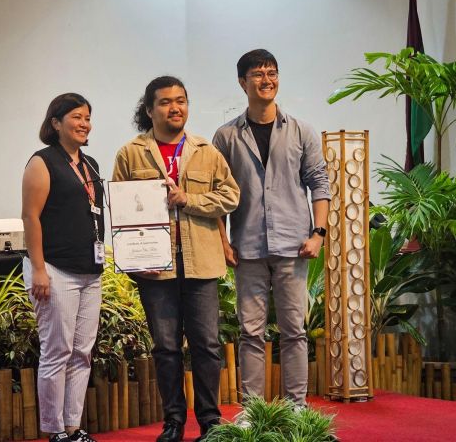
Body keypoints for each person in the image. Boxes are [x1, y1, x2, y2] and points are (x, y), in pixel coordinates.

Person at [112, 76, 240, 442]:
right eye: (166, 102)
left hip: (202, 264)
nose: (175, 108)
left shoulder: (205, 150)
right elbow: (120, 213)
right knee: (166, 348)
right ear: (149, 109)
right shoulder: (130, 153)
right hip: (155, 270)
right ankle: (173, 423)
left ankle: (211, 422)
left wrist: (190, 200)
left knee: (206, 347)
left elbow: (231, 196)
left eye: (181, 100)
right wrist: (132, 262)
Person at [213, 49, 330, 408]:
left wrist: (318, 233)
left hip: (294, 245)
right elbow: (216, 191)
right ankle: (253, 409)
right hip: (246, 248)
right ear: (242, 82)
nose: (267, 80)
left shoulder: (301, 131)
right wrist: (222, 241)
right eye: (259, 74)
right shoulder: (226, 136)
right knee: (250, 332)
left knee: (295, 331)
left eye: (272, 73)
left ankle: (297, 406)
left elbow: (320, 183)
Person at [22, 93, 103, 442]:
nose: (84, 123)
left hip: (90, 271)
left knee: (82, 353)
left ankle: (73, 426)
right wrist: (38, 269)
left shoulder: (91, 164)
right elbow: (31, 217)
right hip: (55, 269)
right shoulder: (42, 162)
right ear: (55, 123)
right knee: (57, 351)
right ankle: (54, 430)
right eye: (76, 117)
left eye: (87, 117)